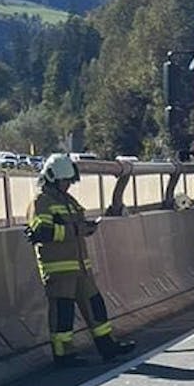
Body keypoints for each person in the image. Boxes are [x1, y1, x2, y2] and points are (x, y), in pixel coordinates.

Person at [25, 153, 135, 367]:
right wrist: (76, 229)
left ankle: (107, 346)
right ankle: (63, 354)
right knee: (63, 312)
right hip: (58, 270)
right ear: (52, 178)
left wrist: (87, 228)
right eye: (64, 181)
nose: (68, 185)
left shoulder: (68, 201)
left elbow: (76, 226)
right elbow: (42, 232)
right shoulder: (41, 202)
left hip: (81, 268)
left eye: (69, 181)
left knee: (96, 306)